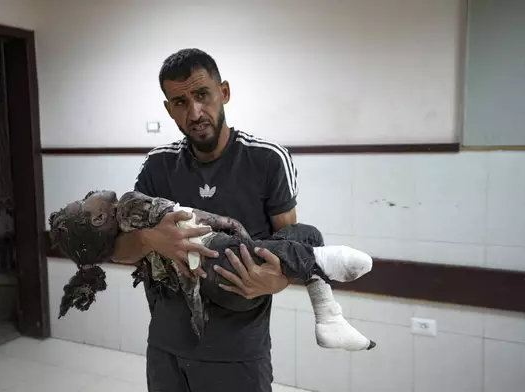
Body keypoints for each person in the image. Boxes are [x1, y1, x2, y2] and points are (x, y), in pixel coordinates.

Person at [110, 48, 316, 391]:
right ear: (168, 109)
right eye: (179, 102)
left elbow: (293, 250)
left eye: (202, 95)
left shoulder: (267, 159)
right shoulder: (157, 165)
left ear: (224, 92)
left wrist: (275, 283)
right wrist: (150, 239)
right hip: (166, 347)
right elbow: (118, 249)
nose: (194, 112)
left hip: (239, 352)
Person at [48, 189, 376, 350]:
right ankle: (322, 262)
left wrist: (270, 272)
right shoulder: (130, 207)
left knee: (306, 234)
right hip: (217, 272)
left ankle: (328, 316)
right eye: (82, 203)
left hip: (236, 280)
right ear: (98, 219)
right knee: (222, 248)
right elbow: (187, 235)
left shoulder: (125, 220)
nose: (89, 195)